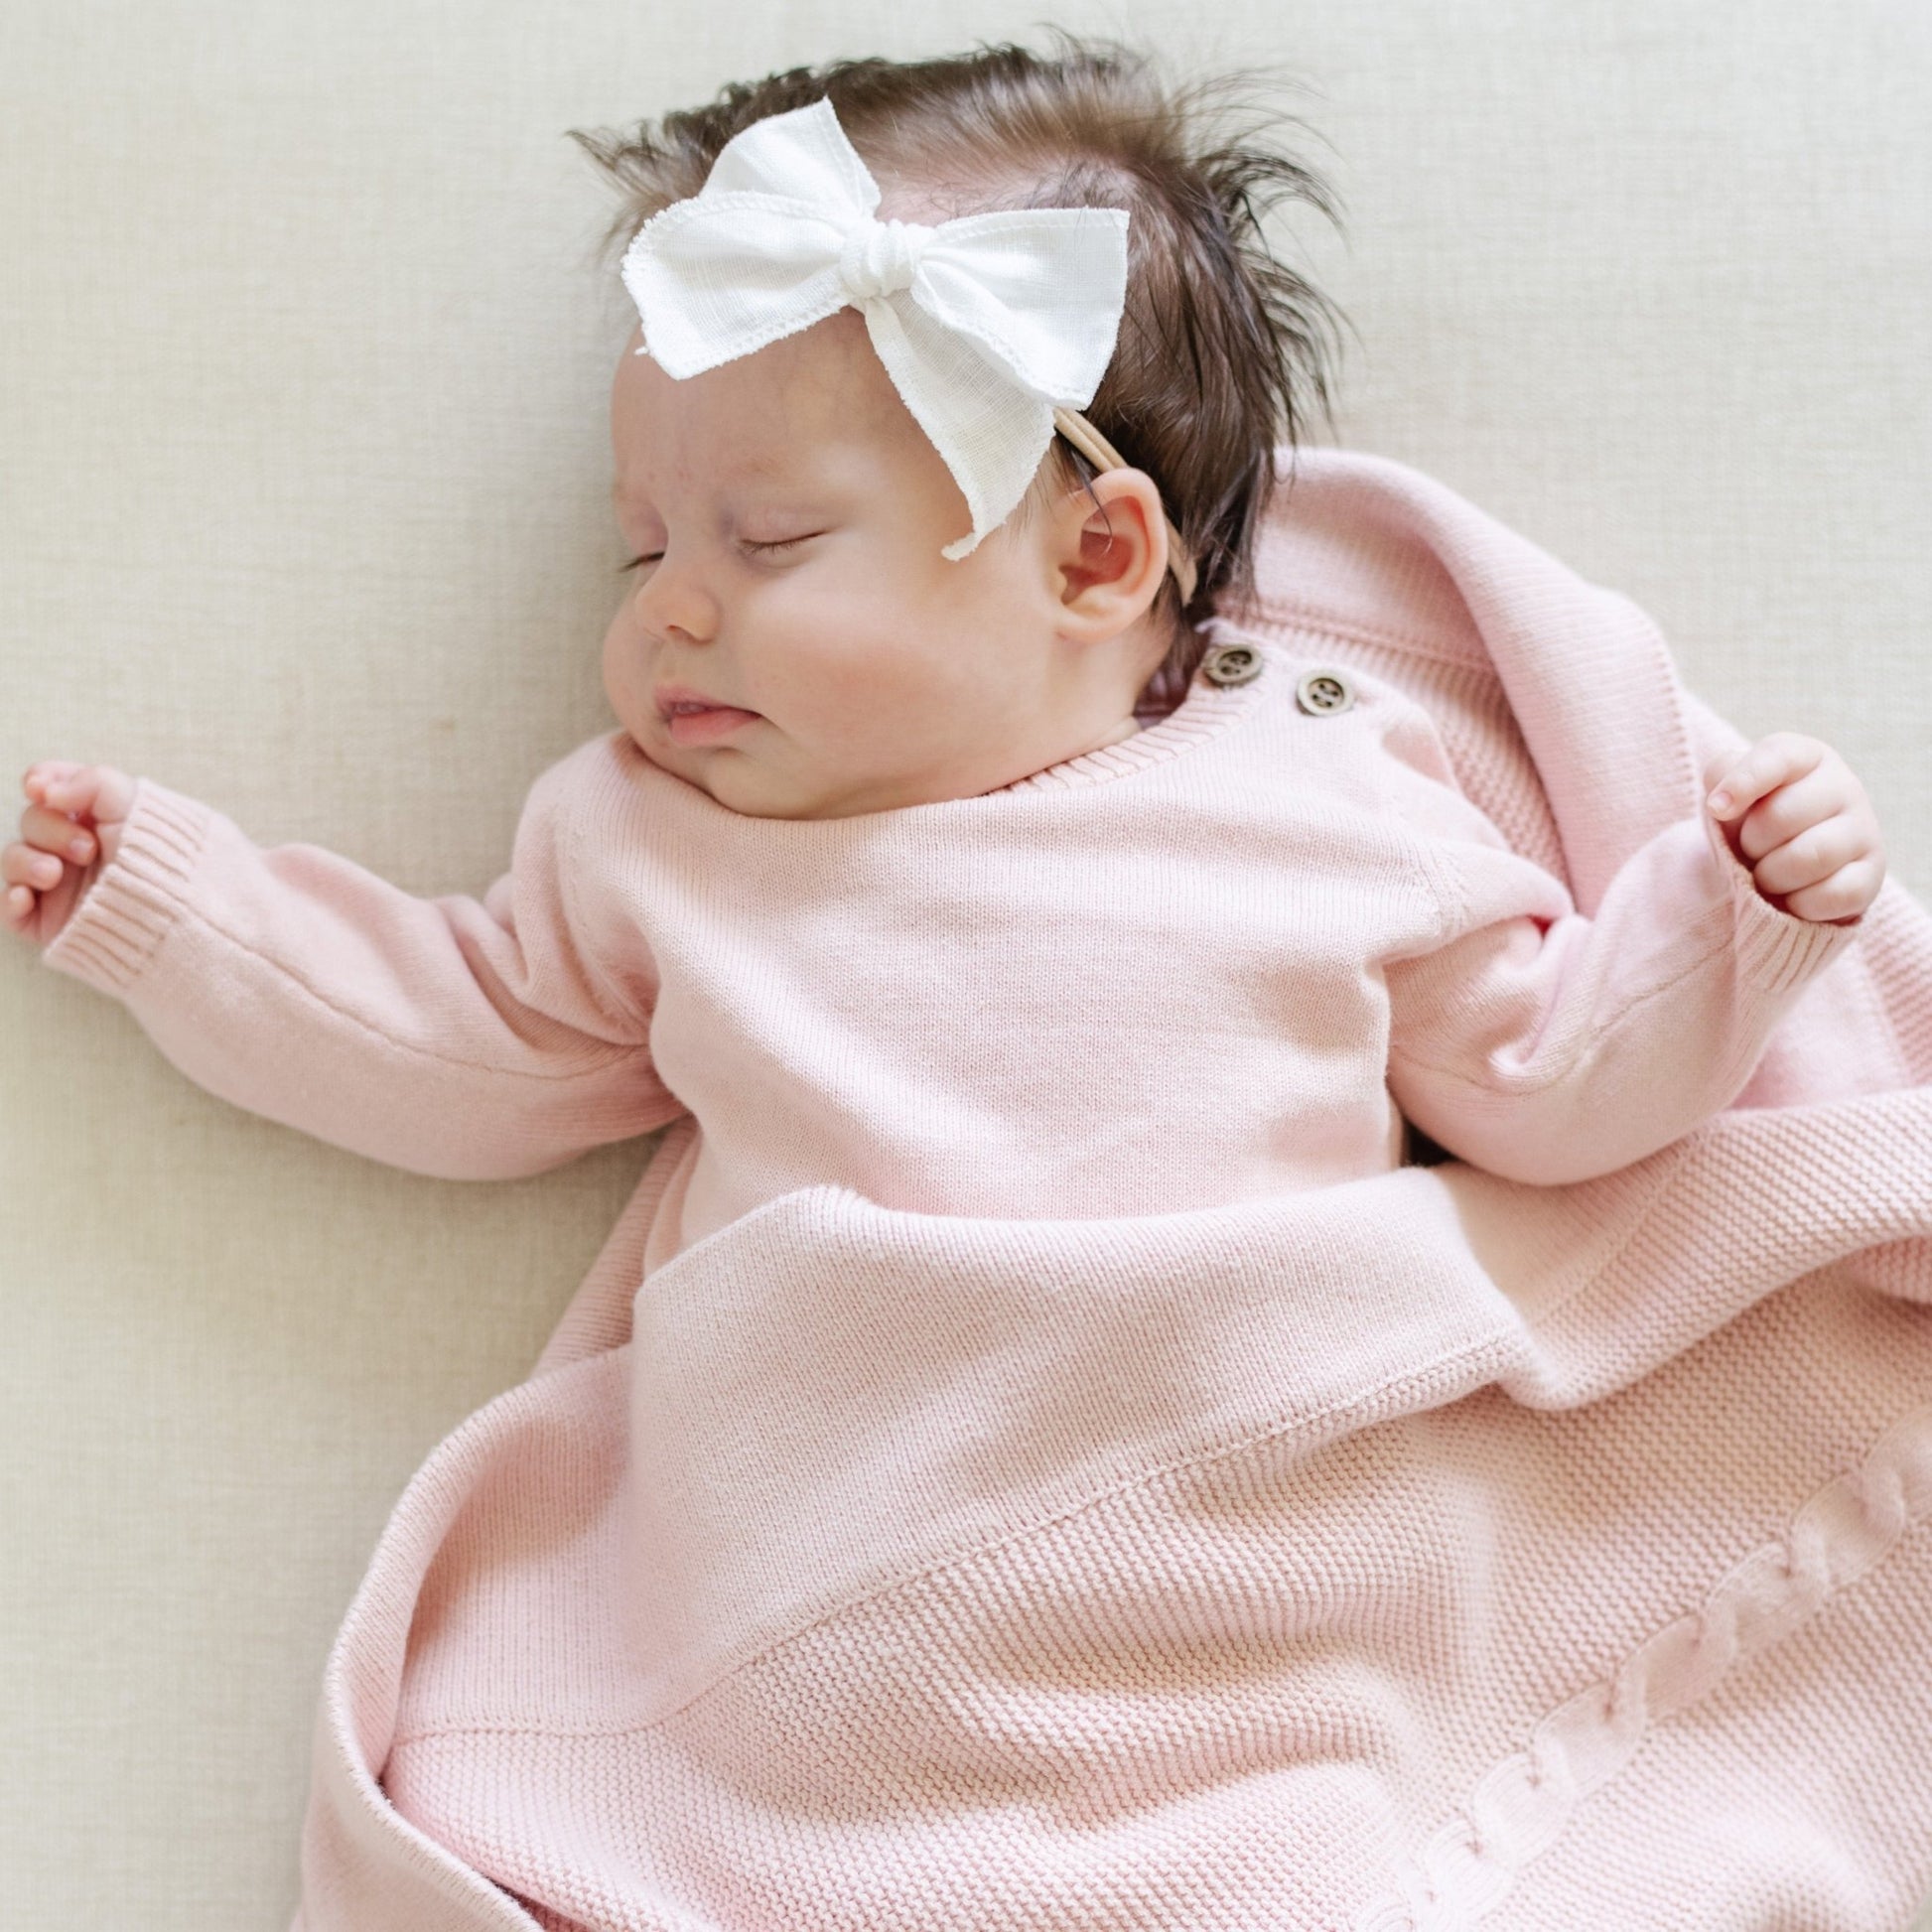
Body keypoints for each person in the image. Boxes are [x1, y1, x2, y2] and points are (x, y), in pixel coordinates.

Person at [1, 38, 1888, 1266]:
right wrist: (168, 908)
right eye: (643, 543)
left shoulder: (1326, 795)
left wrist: (1729, 915)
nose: (666, 606)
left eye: (770, 540)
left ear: (1090, 554)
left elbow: (1550, 1083)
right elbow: (450, 1038)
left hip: (1271, 1460)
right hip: (868, 1484)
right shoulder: (653, 841)